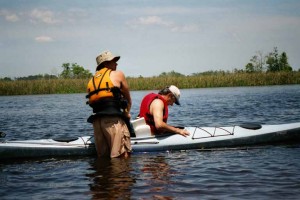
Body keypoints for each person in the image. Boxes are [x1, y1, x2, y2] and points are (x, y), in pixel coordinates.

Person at [86, 50, 132, 158]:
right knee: (121, 157)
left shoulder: (91, 80)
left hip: (97, 123)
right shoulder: (118, 74)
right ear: (105, 63)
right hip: (113, 121)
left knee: (103, 159)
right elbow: (128, 99)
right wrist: (126, 113)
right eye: (113, 61)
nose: (116, 63)